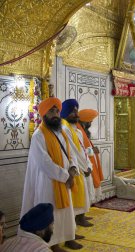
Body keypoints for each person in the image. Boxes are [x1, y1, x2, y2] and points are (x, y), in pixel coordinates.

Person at [20, 97, 79, 251]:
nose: (55, 114)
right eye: (51, 111)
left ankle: (68, 237)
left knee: (66, 211)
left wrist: (72, 169)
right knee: (52, 214)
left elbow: (70, 154)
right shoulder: (38, 136)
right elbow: (44, 163)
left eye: (57, 111)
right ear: (44, 114)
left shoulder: (60, 133)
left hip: (65, 179)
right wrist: (66, 176)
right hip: (48, 182)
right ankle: (53, 243)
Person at [60, 99, 93, 228]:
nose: (75, 114)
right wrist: (85, 166)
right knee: (75, 197)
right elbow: (73, 151)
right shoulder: (64, 128)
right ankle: (74, 223)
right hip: (74, 167)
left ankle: (80, 217)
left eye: (76, 110)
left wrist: (88, 165)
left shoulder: (76, 130)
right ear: (65, 112)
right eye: (72, 111)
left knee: (83, 193)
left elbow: (82, 150)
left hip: (82, 165)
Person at [78, 109, 104, 201]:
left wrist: (92, 149)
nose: (91, 123)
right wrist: (92, 150)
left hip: (89, 164)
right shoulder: (78, 131)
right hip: (83, 165)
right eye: (90, 121)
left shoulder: (83, 130)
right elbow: (79, 150)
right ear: (85, 121)